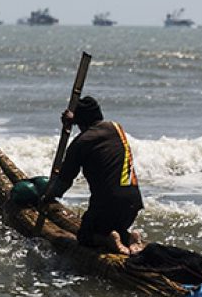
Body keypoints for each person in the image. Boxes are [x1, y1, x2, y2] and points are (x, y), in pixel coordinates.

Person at [48, 96, 145, 255]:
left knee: (85, 236)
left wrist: (46, 196)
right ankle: (131, 237)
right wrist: (75, 119)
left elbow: (63, 184)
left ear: (79, 121)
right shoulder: (116, 128)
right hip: (133, 204)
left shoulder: (80, 143)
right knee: (116, 226)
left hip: (107, 205)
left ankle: (106, 238)